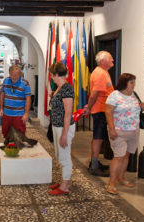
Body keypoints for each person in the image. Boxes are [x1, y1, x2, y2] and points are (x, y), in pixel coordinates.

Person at [103, 73, 144, 195]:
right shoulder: (114, 96)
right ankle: (111, 182)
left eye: (134, 82)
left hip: (133, 130)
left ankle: (121, 177)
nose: (134, 85)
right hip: (119, 131)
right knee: (118, 156)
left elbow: (135, 110)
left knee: (126, 155)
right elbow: (108, 112)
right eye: (131, 82)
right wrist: (111, 128)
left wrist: (142, 107)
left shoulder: (134, 95)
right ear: (124, 83)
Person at [83, 51, 115, 176]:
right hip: (100, 110)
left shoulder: (103, 72)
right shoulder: (100, 73)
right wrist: (89, 107)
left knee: (99, 137)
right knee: (98, 137)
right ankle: (94, 166)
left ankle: (94, 162)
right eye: (110, 58)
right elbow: (94, 94)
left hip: (103, 109)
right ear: (102, 61)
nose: (112, 59)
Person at [47, 62, 76, 195]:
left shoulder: (67, 89)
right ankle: (62, 180)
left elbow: (68, 114)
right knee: (59, 155)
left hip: (64, 127)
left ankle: (64, 186)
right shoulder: (59, 88)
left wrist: (64, 135)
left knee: (64, 156)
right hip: (57, 125)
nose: (52, 77)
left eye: (52, 75)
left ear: (57, 74)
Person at [0, 64, 31, 137]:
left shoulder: (25, 83)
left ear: (20, 74)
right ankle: (8, 147)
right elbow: (2, 95)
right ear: (9, 73)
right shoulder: (6, 80)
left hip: (19, 115)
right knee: (6, 134)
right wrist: (1, 109)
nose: (13, 77)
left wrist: (26, 113)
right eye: (12, 75)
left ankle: (19, 147)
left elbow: (28, 99)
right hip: (6, 114)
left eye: (16, 75)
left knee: (19, 135)